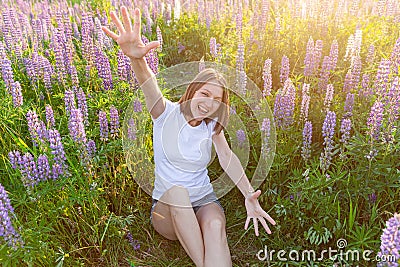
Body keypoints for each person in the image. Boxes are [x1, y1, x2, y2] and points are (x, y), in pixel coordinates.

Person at [102, 6, 276, 267]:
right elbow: (149, 84)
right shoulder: (165, 113)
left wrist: (248, 194)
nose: (208, 103)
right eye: (205, 94)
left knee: (216, 224)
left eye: (216, 100)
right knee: (179, 193)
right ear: (193, 90)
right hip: (168, 210)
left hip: (204, 200)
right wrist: (137, 59)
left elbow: (227, 158)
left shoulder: (211, 127)